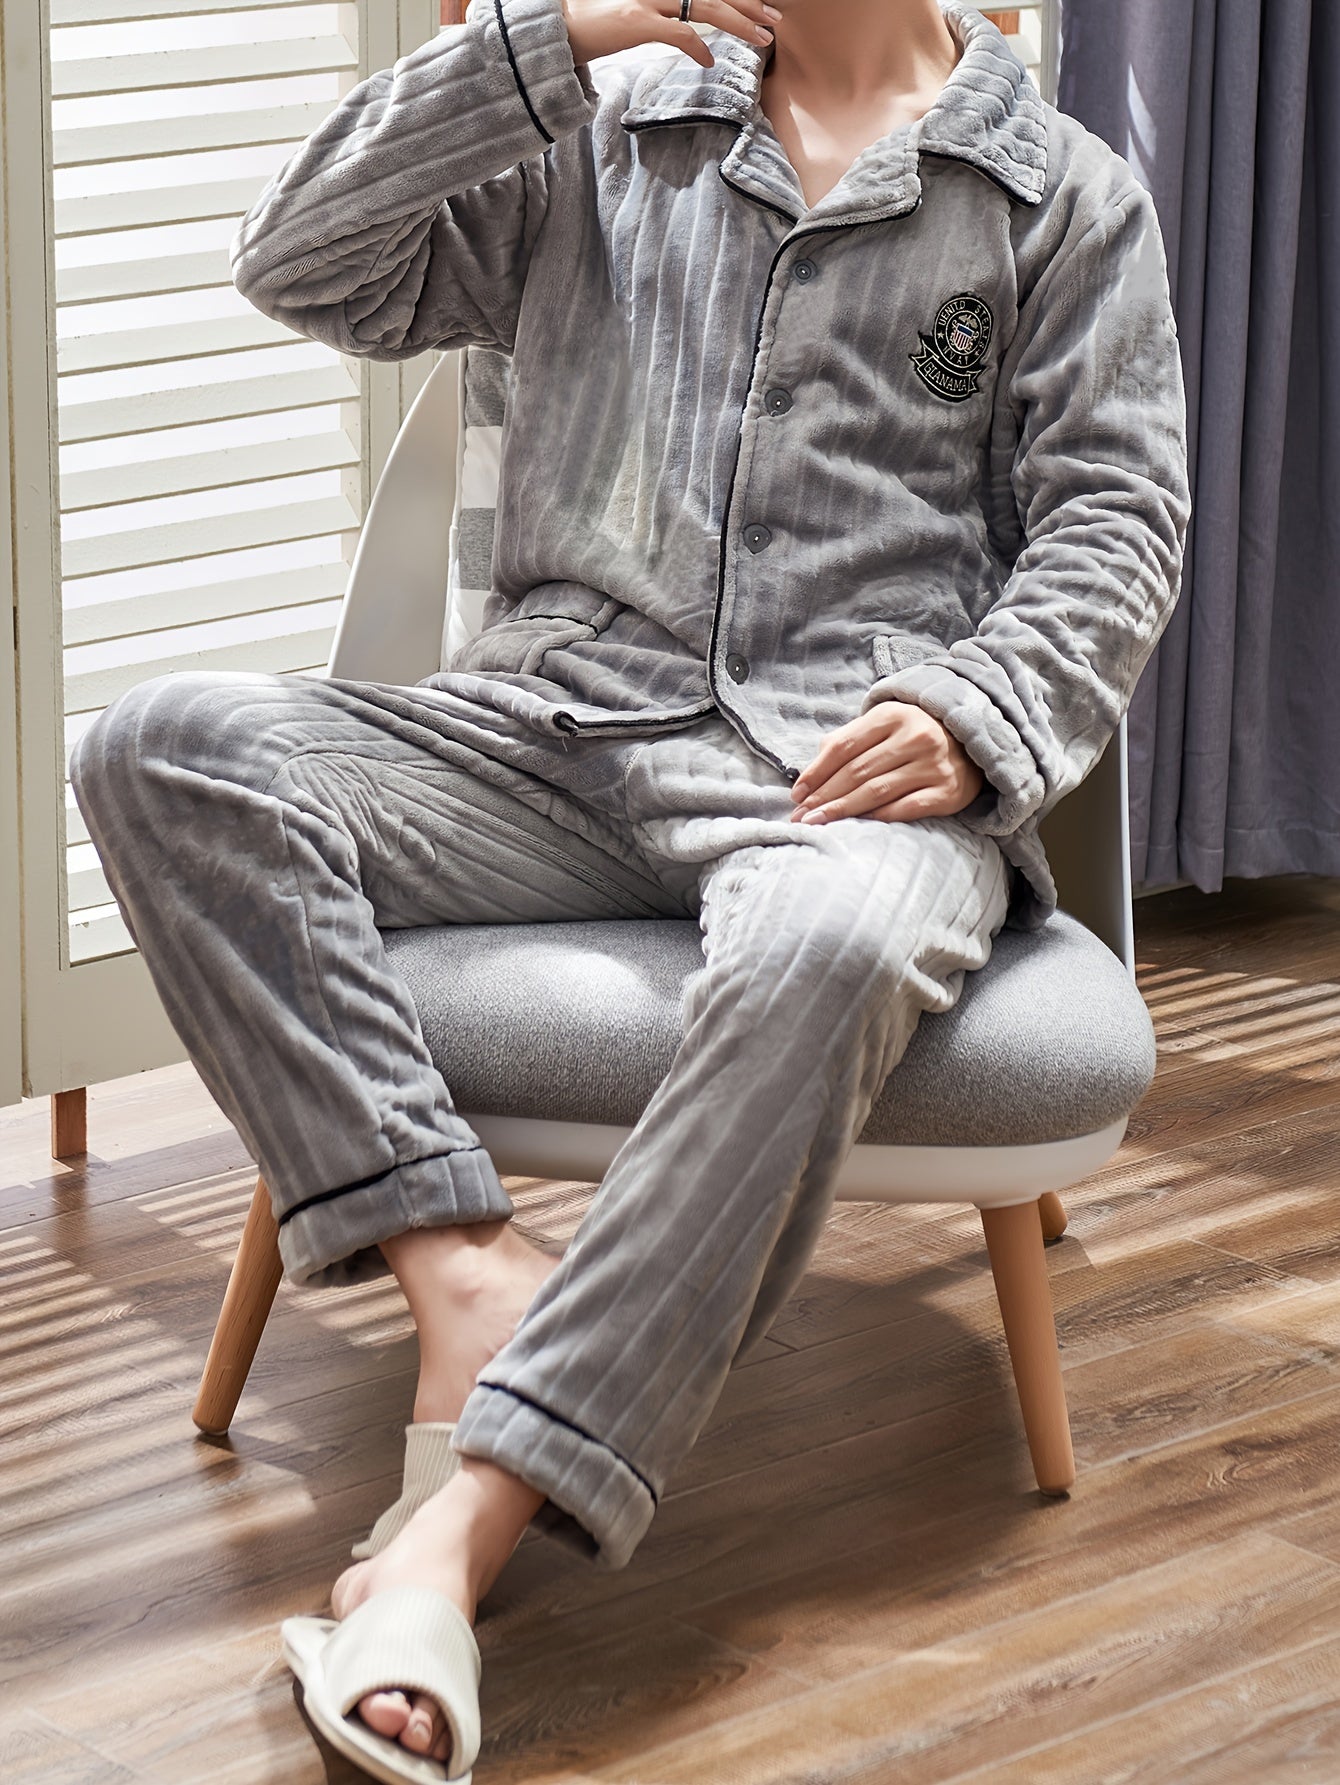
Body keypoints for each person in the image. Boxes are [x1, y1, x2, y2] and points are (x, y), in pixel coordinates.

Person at [69, 0, 1191, 1775]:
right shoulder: (610, 125)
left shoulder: (1059, 195)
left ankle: (463, 1531)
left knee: (831, 937)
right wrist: (555, 40)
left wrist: (976, 711)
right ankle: (464, 1271)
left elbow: (1115, 515)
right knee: (164, 746)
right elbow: (301, 260)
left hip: (838, 771)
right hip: (551, 736)